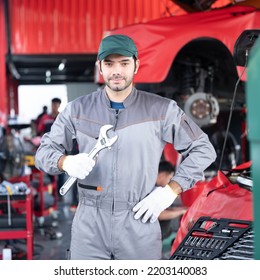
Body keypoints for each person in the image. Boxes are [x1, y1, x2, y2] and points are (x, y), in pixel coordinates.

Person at [35, 34, 216, 260]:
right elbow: (43, 153)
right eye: (109, 63)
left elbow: (203, 149)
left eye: (124, 63)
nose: (116, 71)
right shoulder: (76, 109)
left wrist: (170, 191)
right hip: (89, 228)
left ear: (136, 65)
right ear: (99, 67)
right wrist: (65, 162)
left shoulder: (161, 110)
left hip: (139, 223)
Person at [156, 160, 187, 240]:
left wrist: (183, 209)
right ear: (162, 175)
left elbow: (163, 209)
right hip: (154, 237)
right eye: (169, 178)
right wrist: (181, 211)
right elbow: (160, 215)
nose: (169, 183)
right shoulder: (152, 190)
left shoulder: (158, 189)